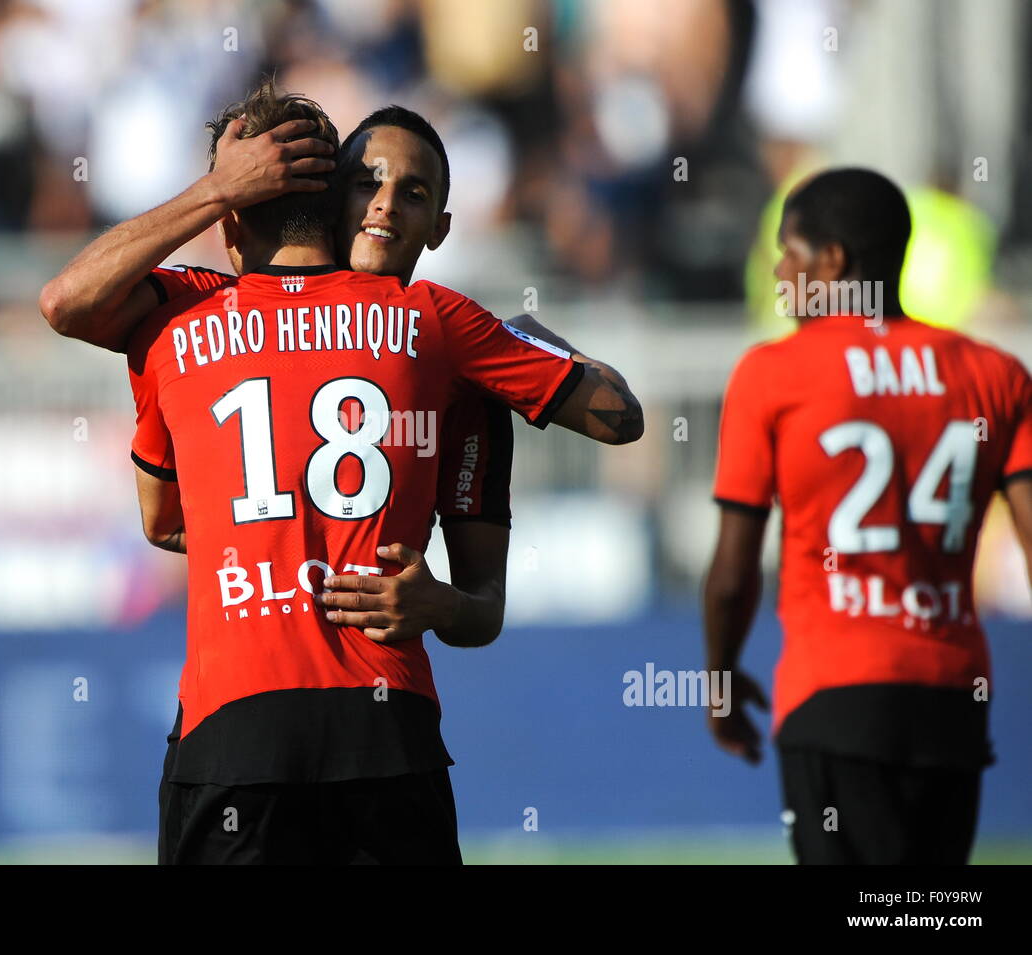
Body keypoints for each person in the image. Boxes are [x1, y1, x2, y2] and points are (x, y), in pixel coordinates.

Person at [46, 80, 641, 864]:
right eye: (368, 183)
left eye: (412, 192)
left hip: (232, 732)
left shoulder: (174, 321)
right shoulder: (439, 324)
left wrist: (270, 549)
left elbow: (157, 509)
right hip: (385, 731)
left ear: (230, 220)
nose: (386, 206)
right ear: (331, 204)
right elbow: (619, 416)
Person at [703, 167, 1032, 864]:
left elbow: (733, 570)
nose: (779, 271)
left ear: (833, 262)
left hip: (834, 695)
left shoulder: (772, 373)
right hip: (952, 700)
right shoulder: (995, 374)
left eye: (789, 252)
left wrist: (722, 675)